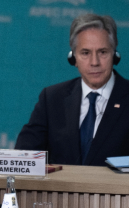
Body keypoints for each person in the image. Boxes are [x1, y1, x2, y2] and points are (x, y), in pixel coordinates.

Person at [15, 14, 129, 166]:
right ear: (73, 58)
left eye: (102, 52)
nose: (94, 62)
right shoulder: (52, 99)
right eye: (85, 53)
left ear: (115, 55)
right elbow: (23, 157)